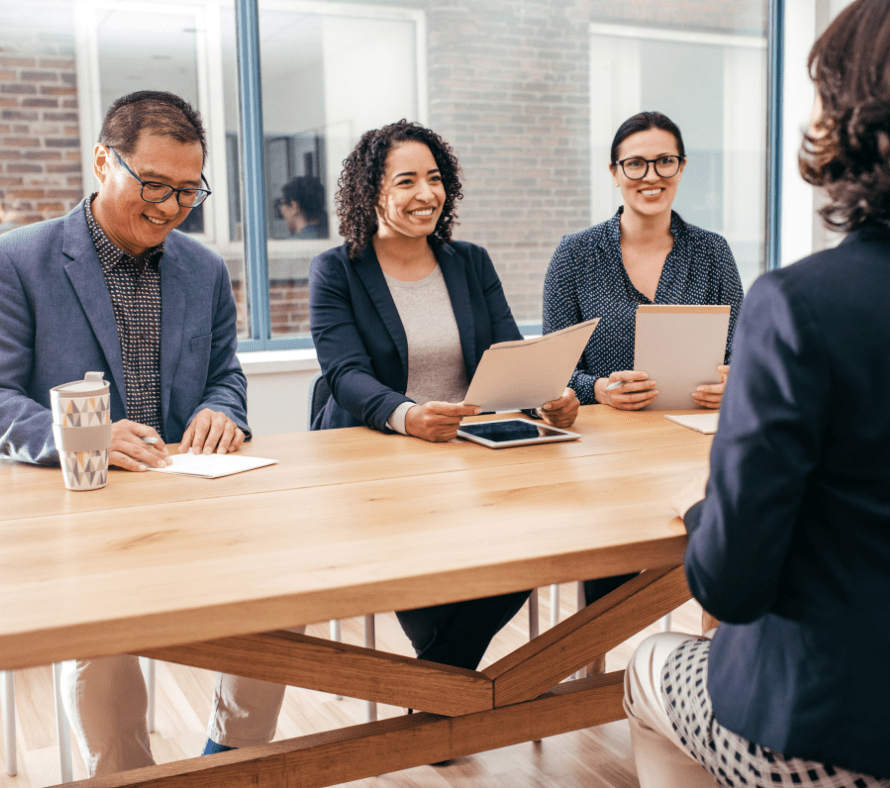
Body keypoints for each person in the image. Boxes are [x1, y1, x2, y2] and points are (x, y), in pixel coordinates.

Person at [624, 0, 890, 785]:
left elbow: (730, 585)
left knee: (648, 666)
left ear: (857, 118)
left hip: (840, 731)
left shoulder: (803, 304)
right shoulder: (580, 254)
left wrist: (712, 512)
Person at [200, 119, 578, 754]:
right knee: (414, 565)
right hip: (374, 458)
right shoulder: (337, 270)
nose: (424, 192)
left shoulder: (471, 263)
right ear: (371, 193)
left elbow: (507, 352)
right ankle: (450, 701)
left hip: (472, 454)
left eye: (435, 178)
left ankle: (437, 692)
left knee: (537, 544)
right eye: (406, 180)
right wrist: (408, 415)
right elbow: (344, 373)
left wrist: (546, 394)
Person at [0, 90, 250, 775]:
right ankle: (129, 775)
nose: (170, 208)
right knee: (103, 639)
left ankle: (231, 758)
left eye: (187, 192)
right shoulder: (19, 261)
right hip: (84, 512)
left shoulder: (202, 270)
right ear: (102, 161)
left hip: (191, 502)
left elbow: (227, 375)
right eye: (153, 186)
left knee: (278, 610)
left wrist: (222, 410)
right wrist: (82, 438)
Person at [542, 112, 745, 642]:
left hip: (693, 446)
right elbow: (553, 370)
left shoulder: (713, 252)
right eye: (635, 162)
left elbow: (746, 353)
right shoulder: (575, 255)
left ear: (681, 169)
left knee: (723, 551)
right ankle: (589, 668)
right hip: (602, 454)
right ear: (614, 171)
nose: (650, 175)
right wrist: (599, 390)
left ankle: (707, 663)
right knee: (608, 582)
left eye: (665, 161)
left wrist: (734, 381)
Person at [276, 175, 328, 239]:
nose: (281, 210)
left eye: (282, 203)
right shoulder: (328, 237)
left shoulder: (292, 246)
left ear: (294, 207)